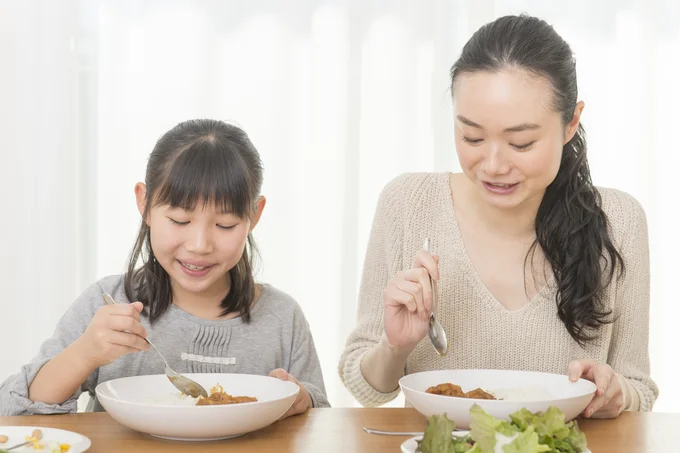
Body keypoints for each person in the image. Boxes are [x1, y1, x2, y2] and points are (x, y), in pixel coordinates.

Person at [339, 14, 658, 418]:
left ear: (570, 122)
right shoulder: (407, 204)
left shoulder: (620, 221)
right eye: (471, 137)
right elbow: (368, 387)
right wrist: (396, 345)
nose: (492, 165)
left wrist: (617, 394)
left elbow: (639, 390)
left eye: (520, 143)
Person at [1, 119, 329, 416]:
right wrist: (84, 354)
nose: (199, 244)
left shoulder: (283, 318)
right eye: (179, 220)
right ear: (145, 204)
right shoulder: (108, 301)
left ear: (254, 216)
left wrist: (301, 400)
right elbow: (12, 410)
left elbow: (322, 419)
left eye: (225, 225)